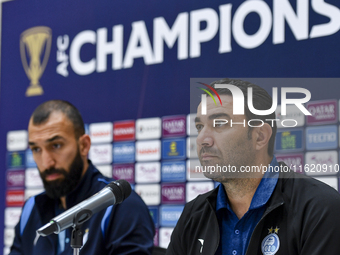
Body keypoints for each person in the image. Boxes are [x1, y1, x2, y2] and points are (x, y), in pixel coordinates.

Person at [166, 79, 340, 255]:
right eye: (199, 126)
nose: (202, 139)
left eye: (219, 124)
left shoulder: (319, 208)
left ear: (260, 136)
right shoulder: (193, 214)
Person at [10, 100, 155, 255]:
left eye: (56, 145)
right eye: (36, 149)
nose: (46, 162)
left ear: (84, 145)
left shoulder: (120, 204)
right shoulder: (31, 208)